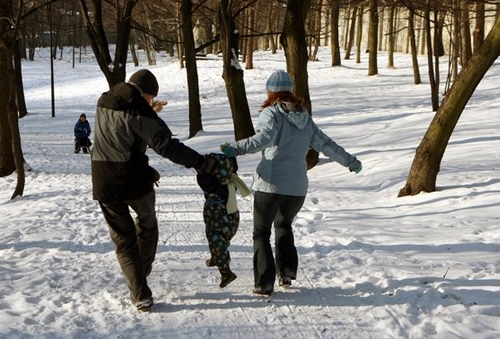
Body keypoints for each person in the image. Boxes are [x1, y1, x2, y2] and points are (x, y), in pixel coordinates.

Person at [220, 70, 362, 297]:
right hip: (296, 190)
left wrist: (233, 149)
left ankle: (264, 284)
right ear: (290, 91)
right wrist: (351, 162)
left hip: (270, 185)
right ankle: (286, 273)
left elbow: (263, 139)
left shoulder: (271, 113)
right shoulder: (304, 116)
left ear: (271, 92)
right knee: (284, 226)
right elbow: (326, 144)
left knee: (261, 233)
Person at [91, 69, 223, 312]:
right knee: (148, 226)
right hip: (132, 181)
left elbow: (122, 133)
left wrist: (147, 115)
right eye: (151, 99)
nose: (151, 103)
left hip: (103, 182)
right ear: (147, 94)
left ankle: (139, 290)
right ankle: (140, 277)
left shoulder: (104, 99)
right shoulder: (140, 109)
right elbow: (167, 145)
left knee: (123, 241)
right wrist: (201, 163)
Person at [196, 153, 250, 289]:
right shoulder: (232, 182)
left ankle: (226, 272)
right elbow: (233, 167)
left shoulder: (212, 186)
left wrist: (202, 167)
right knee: (222, 238)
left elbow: (203, 179)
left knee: (215, 240)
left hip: (214, 213)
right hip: (231, 214)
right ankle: (217, 257)